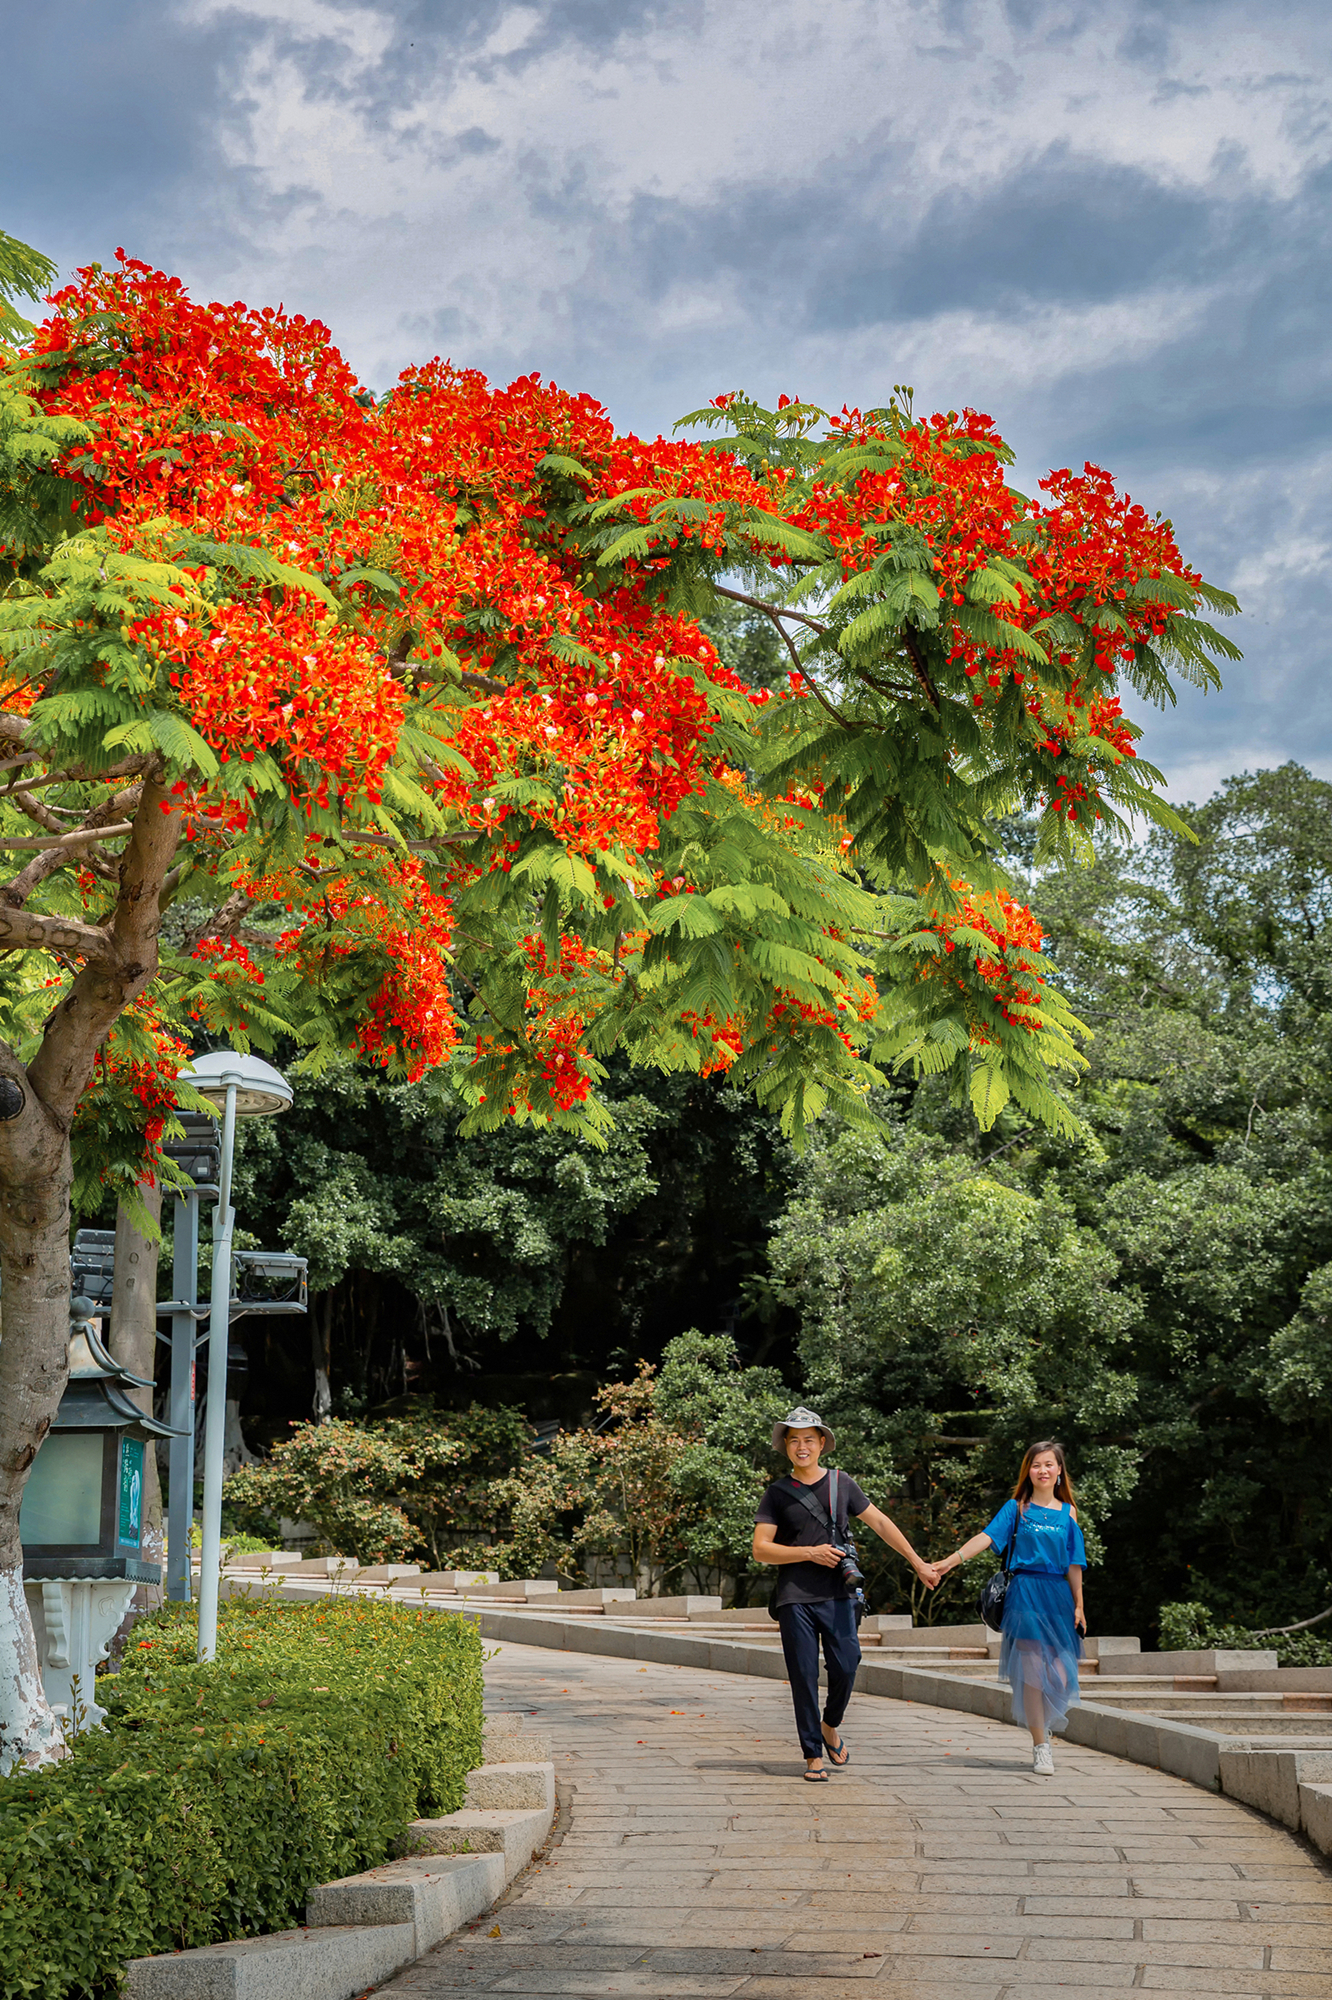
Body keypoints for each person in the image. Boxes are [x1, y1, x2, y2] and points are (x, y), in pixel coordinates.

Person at [753, 1406, 941, 1782]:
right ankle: (812, 1756)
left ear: (822, 1443)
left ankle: (830, 1724)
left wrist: (918, 1562)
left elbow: (881, 1523)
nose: (801, 1447)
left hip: (840, 1593)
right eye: (794, 1441)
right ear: (786, 1447)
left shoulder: (842, 1484)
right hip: (794, 1597)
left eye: (808, 1439)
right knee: (804, 1675)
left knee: (846, 1665)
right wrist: (809, 1553)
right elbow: (761, 1549)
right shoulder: (776, 1493)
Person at [934, 1439, 1087, 1775]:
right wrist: (950, 1561)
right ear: (1027, 1471)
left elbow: (1074, 1562)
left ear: (1059, 1470)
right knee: (1032, 1673)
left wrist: (1080, 1605)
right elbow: (986, 1538)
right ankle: (1040, 1745)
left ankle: (1042, 1726)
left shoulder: (1068, 1512)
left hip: (1058, 1596)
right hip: (1025, 1593)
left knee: (1060, 1674)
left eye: (1049, 1464)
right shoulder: (1016, 1507)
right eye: (1036, 1465)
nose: (1042, 1470)